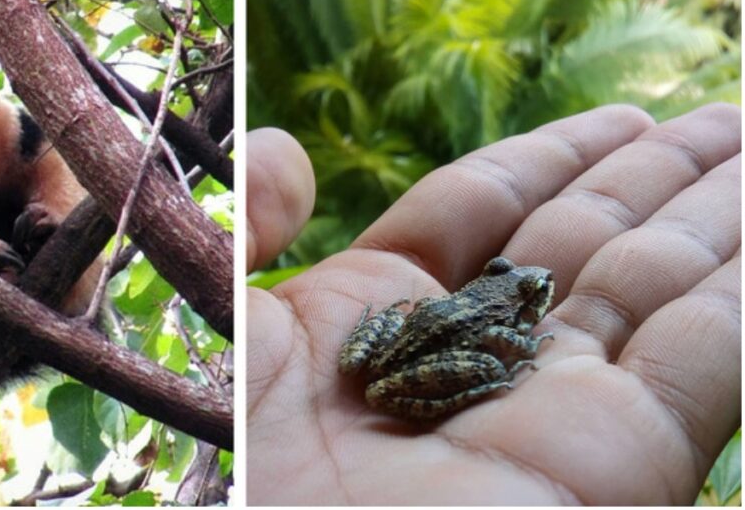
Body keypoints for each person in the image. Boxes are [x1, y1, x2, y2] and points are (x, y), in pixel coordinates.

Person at [246, 103, 741, 505]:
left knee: (422, 347)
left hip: (398, 348)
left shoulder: (481, 292)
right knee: (486, 363)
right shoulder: (509, 313)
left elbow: (485, 330)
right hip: (420, 356)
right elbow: (503, 339)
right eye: (533, 291)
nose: (541, 285)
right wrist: (525, 349)